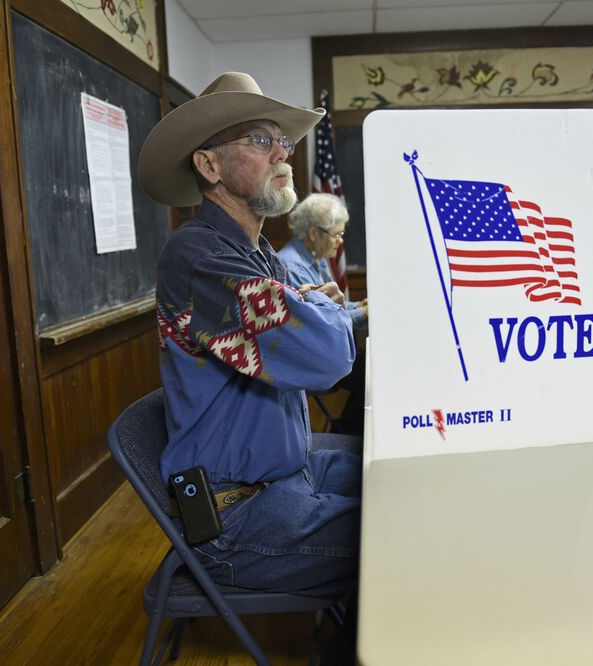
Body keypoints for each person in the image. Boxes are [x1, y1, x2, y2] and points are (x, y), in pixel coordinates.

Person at [137, 72, 362, 610]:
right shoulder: (200, 258)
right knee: (408, 531)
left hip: (284, 474)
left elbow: (304, 328)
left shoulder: (252, 251)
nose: (282, 156)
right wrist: (319, 306)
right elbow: (328, 357)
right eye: (261, 141)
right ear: (209, 166)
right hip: (235, 514)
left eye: (282, 142)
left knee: (400, 473)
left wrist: (307, 306)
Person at [279, 193, 368, 434]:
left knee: (367, 367)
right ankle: (347, 434)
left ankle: (347, 430)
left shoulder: (314, 258)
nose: (340, 241)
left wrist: (360, 306)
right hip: (308, 356)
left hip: (320, 348)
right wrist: (363, 312)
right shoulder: (292, 267)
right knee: (368, 372)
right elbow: (320, 324)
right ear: (314, 233)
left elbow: (333, 307)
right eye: (336, 235)